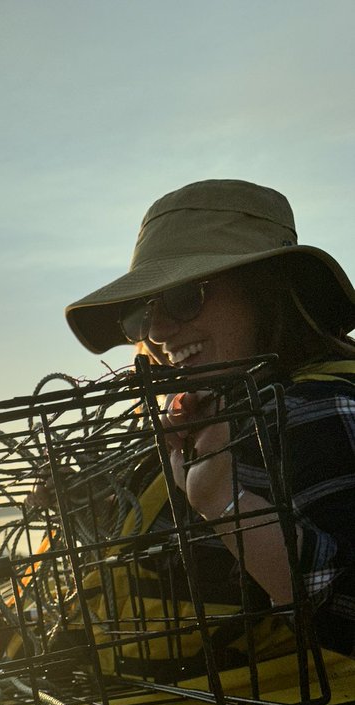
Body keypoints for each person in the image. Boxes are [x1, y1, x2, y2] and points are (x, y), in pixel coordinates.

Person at [64, 179, 355, 658]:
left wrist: (222, 502)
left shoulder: (315, 411)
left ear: (265, 293)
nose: (157, 331)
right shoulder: (222, 414)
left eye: (184, 298)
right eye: (142, 313)